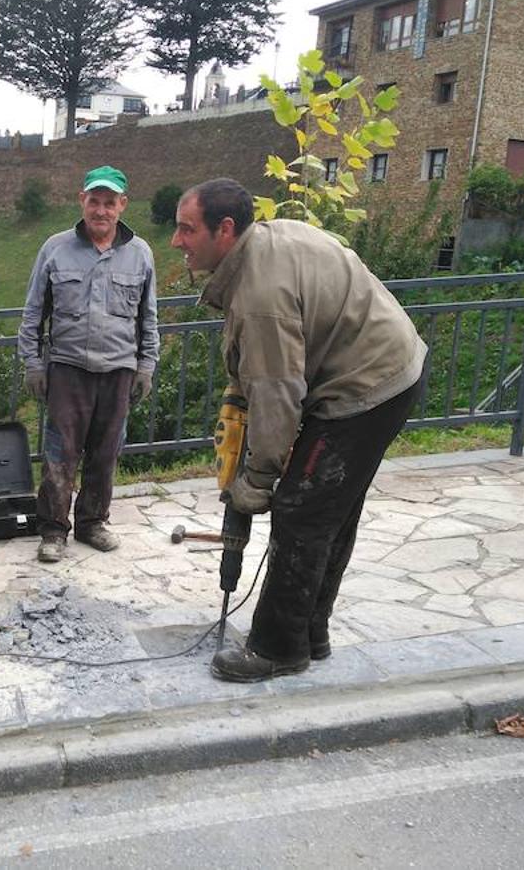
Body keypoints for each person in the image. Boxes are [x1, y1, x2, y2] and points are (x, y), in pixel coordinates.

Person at [171, 178, 427, 683]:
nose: (177, 241)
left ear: (225, 230)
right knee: (330, 509)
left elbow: (277, 394)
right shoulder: (264, 243)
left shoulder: (261, 294)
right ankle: (311, 632)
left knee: (300, 510)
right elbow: (262, 377)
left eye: (186, 229)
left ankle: (277, 648)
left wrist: (256, 482)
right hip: (390, 370)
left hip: (367, 388)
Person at [18, 166, 159, 563]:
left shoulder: (141, 253)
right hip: (67, 368)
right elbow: (33, 313)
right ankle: (53, 530)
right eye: (94, 201)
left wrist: (146, 365)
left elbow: (148, 317)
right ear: (82, 201)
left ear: (122, 206)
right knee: (60, 452)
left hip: (119, 370)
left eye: (109, 202)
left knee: (106, 452)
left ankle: (92, 522)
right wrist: (32, 362)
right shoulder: (55, 248)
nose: (101, 210)